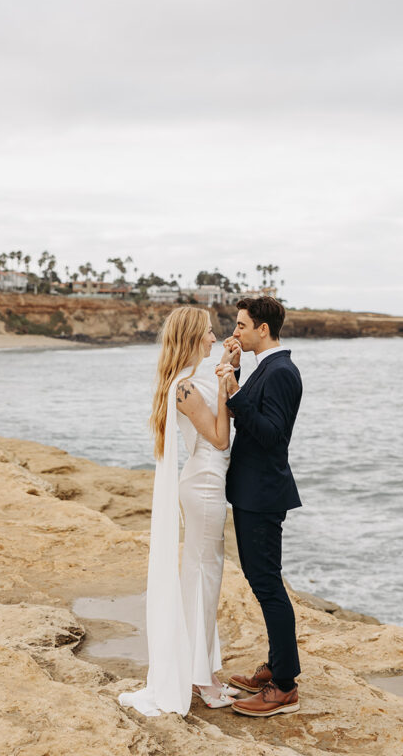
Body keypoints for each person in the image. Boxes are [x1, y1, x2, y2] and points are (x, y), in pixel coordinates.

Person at [118, 305, 240, 716]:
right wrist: (225, 387)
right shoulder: (186, 390)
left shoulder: (190, 383)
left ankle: (202, 670)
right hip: (205, 483)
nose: (213, 338)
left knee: (201, 578)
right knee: (203, 579)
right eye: (207, 332)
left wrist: (226, 368)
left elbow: (215, 408)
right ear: (191, 337)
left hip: (207, 482)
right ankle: (203, 680)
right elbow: (221, 439)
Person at [216, 296, 303, 717]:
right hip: (252, 491)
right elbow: (252, 414)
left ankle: (285, 685)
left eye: (240, 325)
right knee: (263, 582)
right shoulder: (265, 367)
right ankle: (275, 668)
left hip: (263, 494)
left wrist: (234, 391)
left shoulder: (282, 371)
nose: (235, 332)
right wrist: (232, 371)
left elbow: (271, 435)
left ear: (262, 329)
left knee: (268, 586)